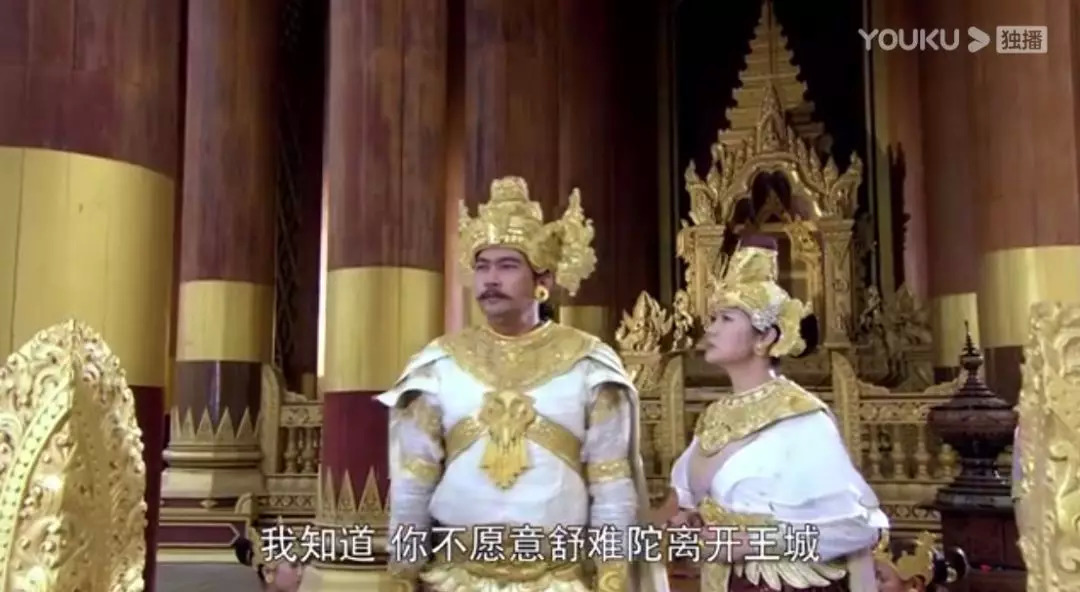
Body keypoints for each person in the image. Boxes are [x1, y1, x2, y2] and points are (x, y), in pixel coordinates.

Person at [376, 176, 669, 592]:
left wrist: (612, 576)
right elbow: (414, 480)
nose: (490, 279)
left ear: (541, 280)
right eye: (482, 266)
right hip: (456, 578)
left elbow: (611, 483)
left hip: (559, 579)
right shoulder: (440, 364)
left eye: (507, 265)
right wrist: (402, 573)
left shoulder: (587, 364)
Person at [665, 235, 889, 592]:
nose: (711, 329)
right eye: (713, 318)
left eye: (726, 318)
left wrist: (752, 543)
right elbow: (696, 502)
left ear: (765, 337)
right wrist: (691, 519)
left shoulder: (800, 418)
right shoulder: (714, 416)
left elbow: (858, 527)